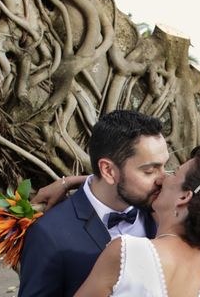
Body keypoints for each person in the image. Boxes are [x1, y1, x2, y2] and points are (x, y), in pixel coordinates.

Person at [75, 143, 200, 297]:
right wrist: (71, 182)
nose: (163, 177)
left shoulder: (127, 252)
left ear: (184, 197)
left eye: (175, 173)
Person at [18, 110, 168, 296]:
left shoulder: (166, 210)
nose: (163, 179)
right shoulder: (49, 234)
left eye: (164, 166)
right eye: (149, 171)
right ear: (108, 170)